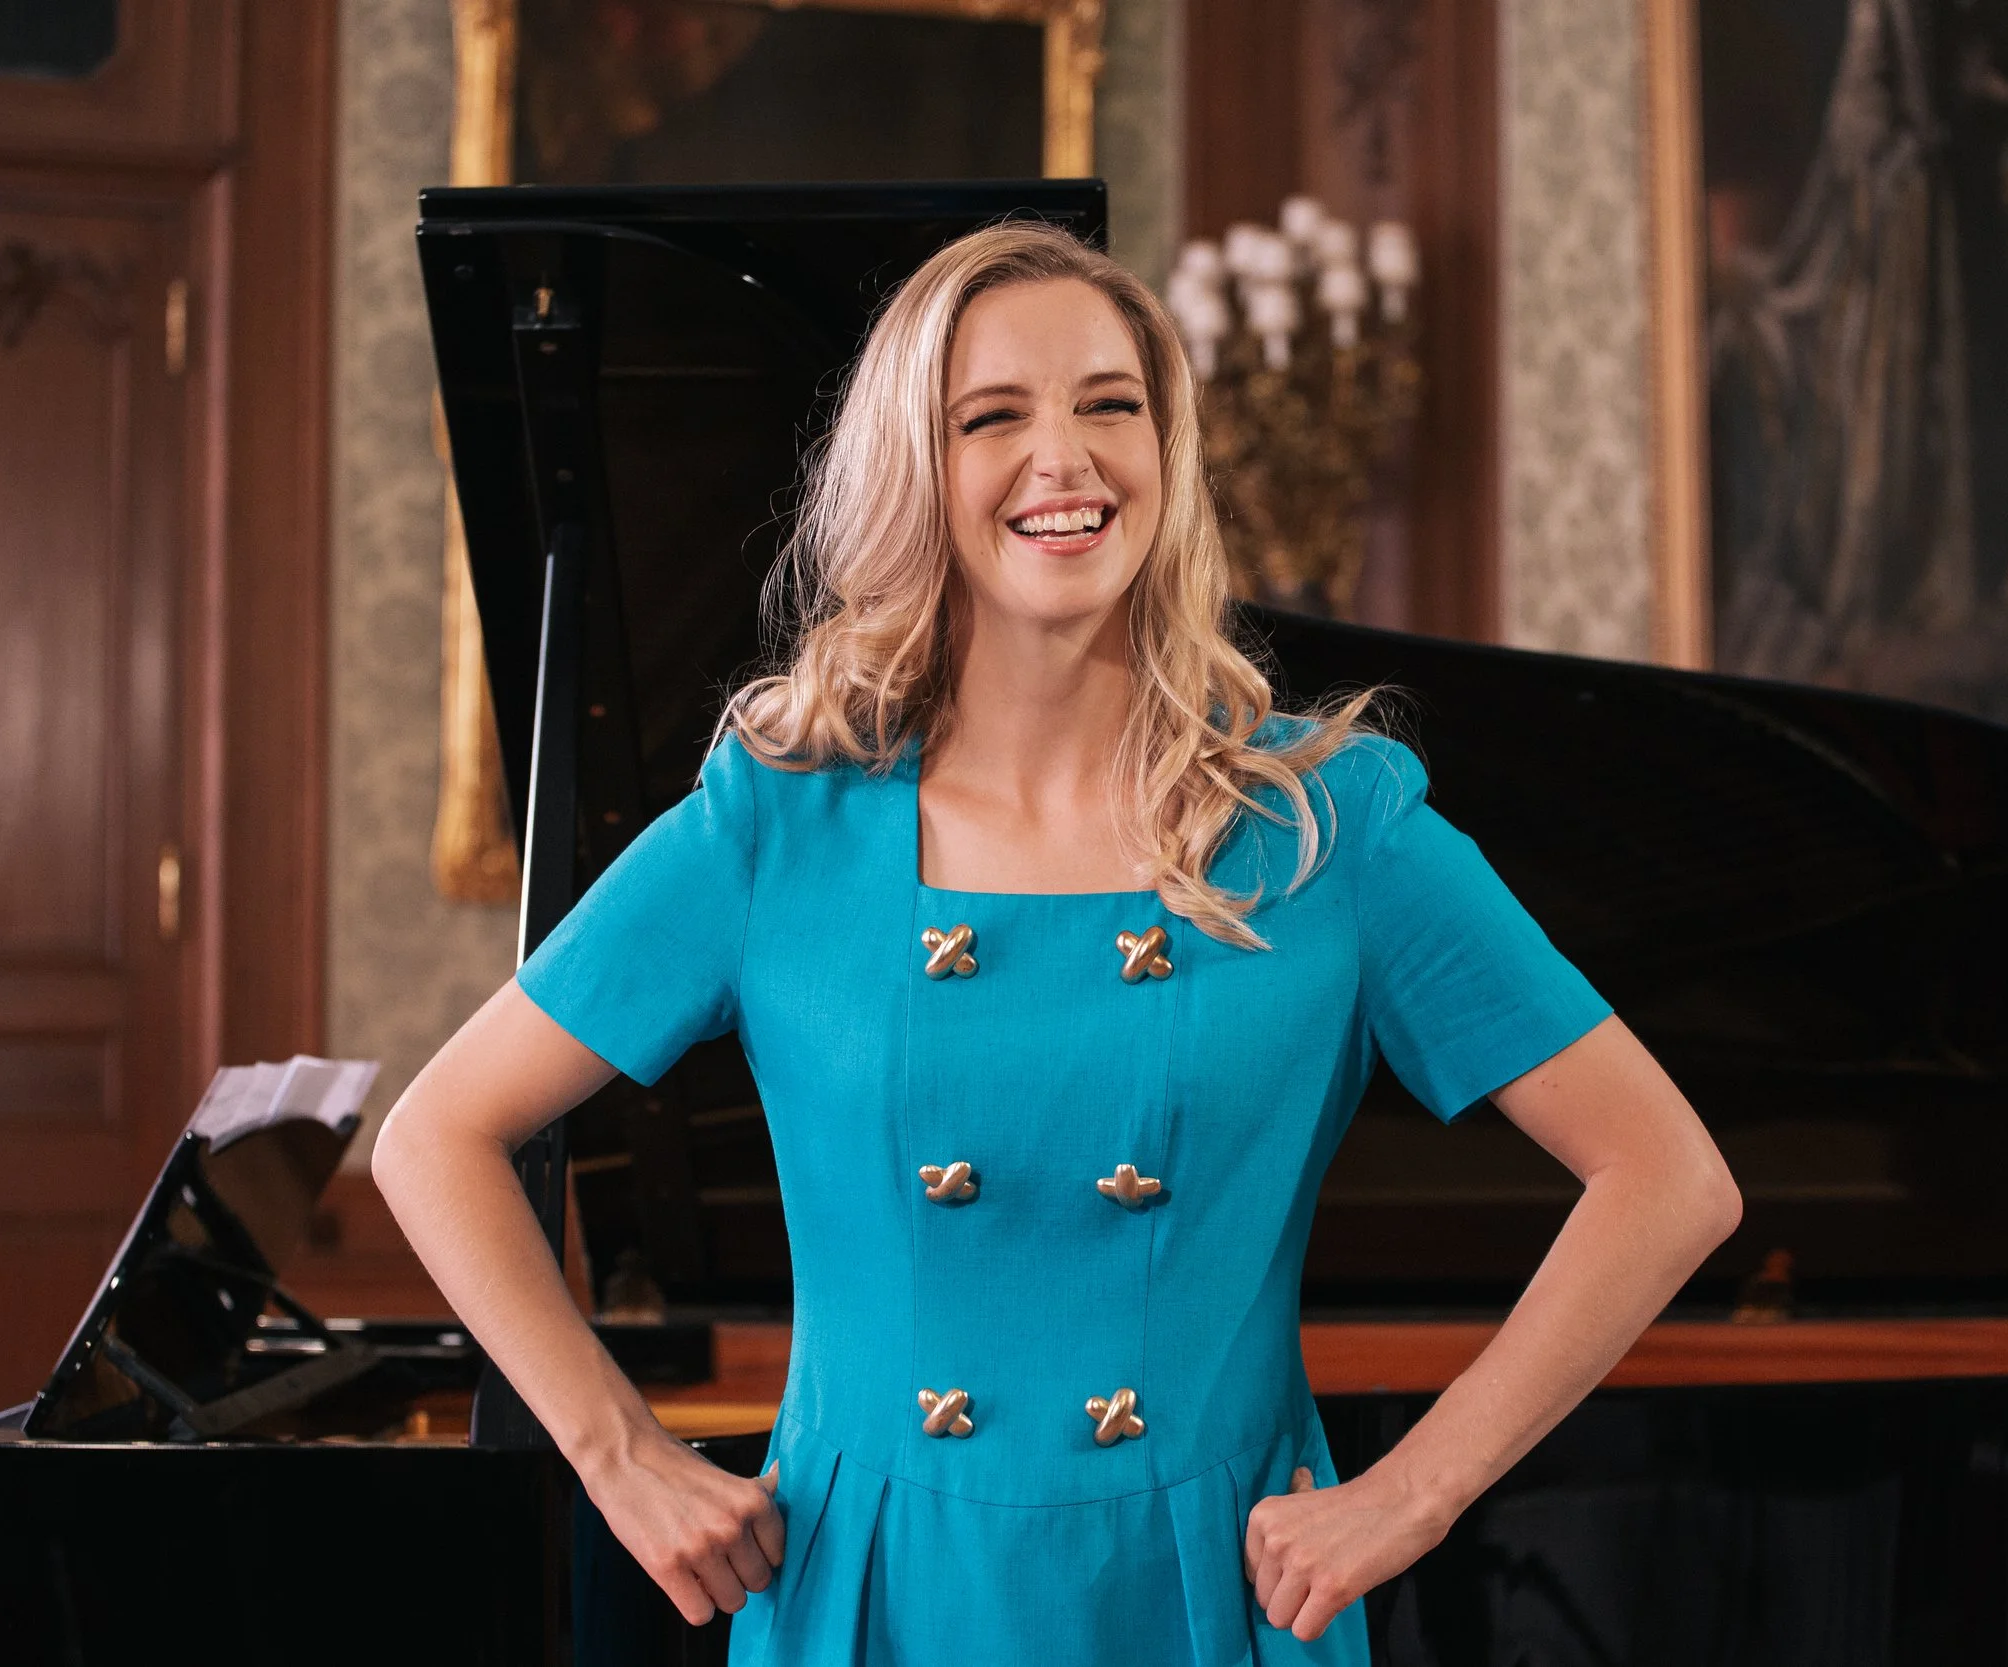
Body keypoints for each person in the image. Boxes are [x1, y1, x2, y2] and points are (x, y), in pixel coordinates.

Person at [373, 220, 1741, 1664]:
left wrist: (1416, 1491)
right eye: (993, 417)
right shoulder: (775, 824)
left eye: (1109, 403)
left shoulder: (1334, 825)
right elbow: (434, 1137)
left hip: (1213, 1597)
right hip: (872, 1589)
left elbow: (1669, 1176)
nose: (1066, 458)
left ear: (1169, 446)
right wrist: (615, 1453)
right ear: (918, 467)